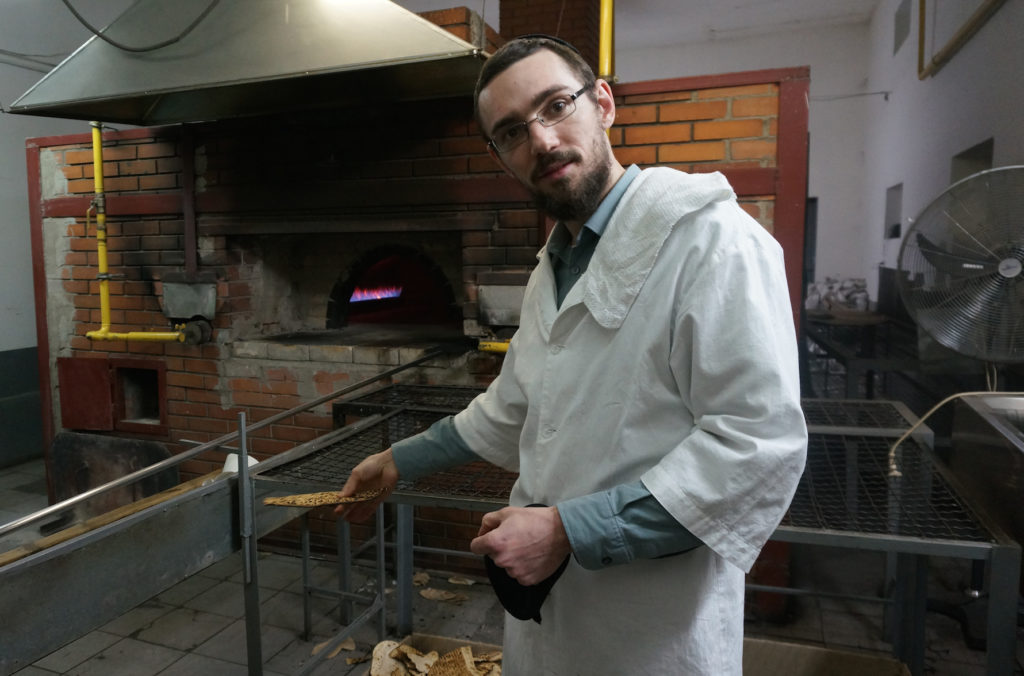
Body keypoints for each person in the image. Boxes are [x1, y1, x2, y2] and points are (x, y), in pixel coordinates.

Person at [336, 35, 807, 675]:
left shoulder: (713, 243)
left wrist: (568, 531)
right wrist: (398, 460)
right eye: (511, 132)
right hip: (552, 609)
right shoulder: (554, 267)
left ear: (603, 103)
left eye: (557, 106)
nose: (543, 141)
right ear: (500, 155)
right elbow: (513, 406)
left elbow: (757, 446)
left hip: (651, 623)